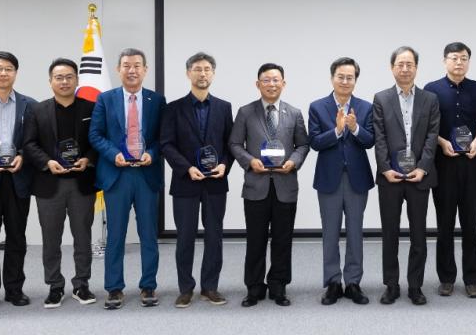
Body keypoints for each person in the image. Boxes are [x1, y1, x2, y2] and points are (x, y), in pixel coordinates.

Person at [88, 48, 166, 310]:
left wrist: (152, 153)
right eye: (126, 65)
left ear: (145, 69)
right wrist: (114, 154)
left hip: (146, 176)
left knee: (148, 234)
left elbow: (163, 137)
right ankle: (114, 288)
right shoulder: (105, 99)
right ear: (118, 69)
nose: (132, 70)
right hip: (117, 175)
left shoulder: (157, 100)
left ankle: (148, 285)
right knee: (116, 235)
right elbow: (95, 134)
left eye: (136, 65)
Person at [229, 63, 309, 307]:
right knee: (255, 240)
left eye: (276, 80)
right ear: (258, 84)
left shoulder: (294, 113)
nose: (271, 84)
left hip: (285, 185)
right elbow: (234, 144)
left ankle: (278, 286)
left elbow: (303, 145)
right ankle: (254, 288)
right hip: (256, 185)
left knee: (283, 240)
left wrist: (293, 162)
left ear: (283, 83)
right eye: (266, 80)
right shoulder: (245, 112)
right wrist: (249, 161)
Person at [160, 52, 233, 308]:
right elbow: (166, 144)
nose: (202, 74)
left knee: (214, 236)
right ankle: (185, 288)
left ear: (213, 74)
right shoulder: (173, 108)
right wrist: (187, 168)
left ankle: (210, 287)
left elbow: (230, 144)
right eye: (197, 69)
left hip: (215, 183)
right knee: (185, 237)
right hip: (185, 182)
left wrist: (224, 164)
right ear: (188, 73)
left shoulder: (224, 107)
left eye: (207, 69)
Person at [23, 58, 98, 308]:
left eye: (69, 77)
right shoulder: (37, 110)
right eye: (59, 77)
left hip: (81, 183)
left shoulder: (91, 108)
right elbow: (29, 144)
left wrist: (88, 159)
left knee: (83, 237)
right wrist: (47, 162)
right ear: (50, 81)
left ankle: (81, 284)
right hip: (49, 184)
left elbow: (99, 140)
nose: (64, 81)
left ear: (76, 79)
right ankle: (55, 286)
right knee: (51, 239)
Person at [423, 42, 476, 298]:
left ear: (468, 62)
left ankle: (472, 279)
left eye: (463, 58)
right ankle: (446, 278)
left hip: (471, 162)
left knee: (471, 222)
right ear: (445, 61)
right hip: (443, 163)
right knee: (445, 223)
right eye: (454, 58)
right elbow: (427, 126)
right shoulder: (432, 90)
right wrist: (442, 143)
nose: (459, 62)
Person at [373, 46, 439, 306]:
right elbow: (379, 136)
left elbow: (432, 136)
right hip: (390, 177)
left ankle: (415, 286)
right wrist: (384, 168)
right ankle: (391, 285)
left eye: (409, 64)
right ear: (392, 68)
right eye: (400, 64)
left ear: (416, 68)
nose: (404, 68)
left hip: (419, 177)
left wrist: (423, 167)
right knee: (389, 233)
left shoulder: (430, 99)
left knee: (418, 234)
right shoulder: (381, 98)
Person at [308, 57, 374, 305]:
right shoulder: (317, 107)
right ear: (332, 78)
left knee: (355, 231)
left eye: (350, 77)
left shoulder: (365, 107)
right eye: (341, 77)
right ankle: (333, 282)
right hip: (329, 179)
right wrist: (336, 131)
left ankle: (353, 282)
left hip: (357, 178)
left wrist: (355, 128)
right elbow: (314, 142)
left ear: (355, 80)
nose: (345, 81)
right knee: (330, 232)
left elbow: (370, 141)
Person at [0, 51, 35, 309]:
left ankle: (14, 289)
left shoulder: (30, 105)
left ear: (16, 73)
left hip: (18, 179)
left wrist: (23, 156)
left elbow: (36, 141)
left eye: (8, 69)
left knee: (17, 237)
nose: (3, 73)